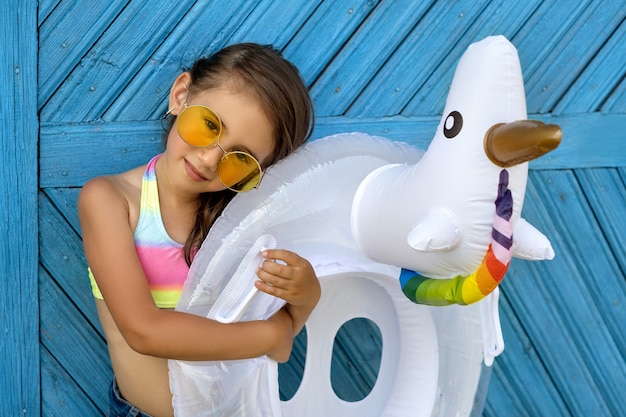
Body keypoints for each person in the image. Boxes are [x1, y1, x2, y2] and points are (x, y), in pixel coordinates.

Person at [78, 43, 321, 417]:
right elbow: (144, 331)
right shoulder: (111, 201)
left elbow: (281, 337)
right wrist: (274, 333)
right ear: (180, 95)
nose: (210, 160)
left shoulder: (244, 227)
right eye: (209, 125)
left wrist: (306, 297)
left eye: (239, 158)